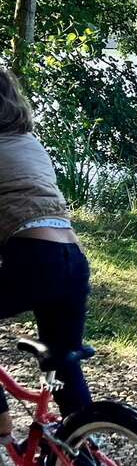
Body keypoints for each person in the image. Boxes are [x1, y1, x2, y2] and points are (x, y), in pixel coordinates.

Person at [0, 69, 91, 441]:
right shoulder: (29, 142)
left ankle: (1, 419)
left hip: (35, 256)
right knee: (65, 364)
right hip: (72, 258)